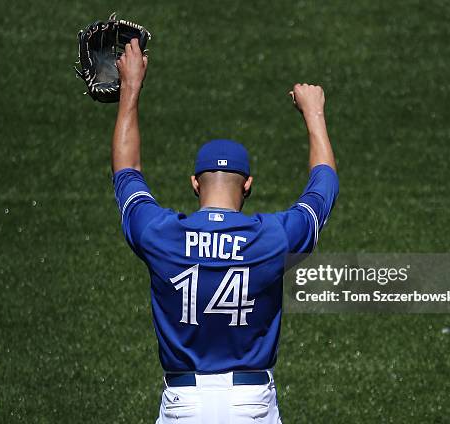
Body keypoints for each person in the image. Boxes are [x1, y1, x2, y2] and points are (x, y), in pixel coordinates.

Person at [112, 38, 339, 424]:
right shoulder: (272, 237)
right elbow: (323, 188)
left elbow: (126, 171)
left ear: (195, 184)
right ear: (248, 185)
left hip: (185, 406)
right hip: (250, 406)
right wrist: (314, 114)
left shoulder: (160, 234)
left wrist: (130, 89)